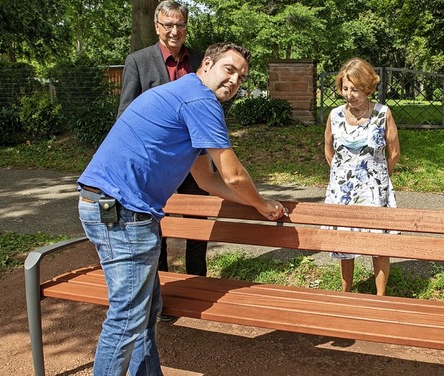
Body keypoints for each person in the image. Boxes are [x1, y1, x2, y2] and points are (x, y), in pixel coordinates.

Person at [78, 42, 287, 376]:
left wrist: (256, 205)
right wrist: (263, 203)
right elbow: (232, 174)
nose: (234, 81)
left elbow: (208, 181)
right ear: (206, 63)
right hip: (124, 212)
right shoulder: (200, 101)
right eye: (229, 70)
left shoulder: (183, 93)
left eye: (242, 78)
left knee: (143, 311)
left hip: (103, 205)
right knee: (128, 318)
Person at [117, 1, 210, 303]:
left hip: (195, 160)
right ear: (157, 26)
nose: (174, 31)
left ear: (186, 26)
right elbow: (126, 114)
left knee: (198, 226)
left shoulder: (201, 60)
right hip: (157, 166)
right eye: (168, 25)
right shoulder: (138, 61)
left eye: (179, 24)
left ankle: (198, 289)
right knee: (156, 229)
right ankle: (161, 295)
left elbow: (215, 101)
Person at [324, 57, 401, 296]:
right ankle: (346, 292)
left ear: (367, 87)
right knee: (344, 245)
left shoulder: (382, 114)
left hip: (375, 191)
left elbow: (395, 153)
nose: (349, 94)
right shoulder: (335, 115)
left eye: (355, 89)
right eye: (345, 88)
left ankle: (380, 297)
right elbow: (329, 151)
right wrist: (343, 177)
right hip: (343, 192)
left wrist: (376, 179)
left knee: (379, 246)